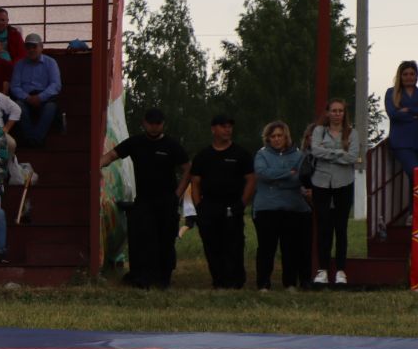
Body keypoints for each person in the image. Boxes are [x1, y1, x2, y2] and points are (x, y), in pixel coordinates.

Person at [100, 107, 189, 289]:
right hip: (144, 200)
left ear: (163, 124)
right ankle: (142, 277)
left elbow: (188, 168)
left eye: (158, 124)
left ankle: (164, 278)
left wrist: (177, 194)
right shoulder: (135, 143)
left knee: (165, 239)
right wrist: (96, 165)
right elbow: (112, 155)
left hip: (166, 201)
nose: (154, 127)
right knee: (142, 239)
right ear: (144, 123)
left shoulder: (172, 145)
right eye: (151, 123)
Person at [186, 114, 253, 291]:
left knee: (234, 244)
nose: (227, 130)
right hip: (209, 206)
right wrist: (199, 206)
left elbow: (251, 180)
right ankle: (219, 281)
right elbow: (195, 183)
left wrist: (242, 203)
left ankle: (236, 281)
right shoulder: (203, 156)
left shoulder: (241, 154)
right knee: (212, 245)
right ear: (213, 129)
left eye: (230, 126)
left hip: (232, 206)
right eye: (223, 126)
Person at [253, 120, 312, 292]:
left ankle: (290, 283)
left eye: (280, 135)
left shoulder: (299, 156)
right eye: (273, 136)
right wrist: (288, 174)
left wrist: (277, 179)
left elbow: (299, 178)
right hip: (266, 208)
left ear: (286, 137)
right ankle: (263, 283)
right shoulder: (261, 154)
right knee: (266, 248)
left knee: (290, 247)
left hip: (291, 208)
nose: (277, 139)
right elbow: (262, 173)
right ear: (268, 138)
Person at [306, 99, 356, 286]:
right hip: (321, 183)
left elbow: (353, 156)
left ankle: (341, 270)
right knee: (324, 226)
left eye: (340, 111)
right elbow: (316, 151)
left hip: (344, 182)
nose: (337, 114)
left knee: (341, 227)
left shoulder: (353, 133)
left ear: (344, 113)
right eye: (333, 110)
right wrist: (339, 153)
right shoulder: (319, 131)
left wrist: (330, 153)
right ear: (327, 113)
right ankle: (323, 270)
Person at [383, 61, 418, 192]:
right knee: (414, 173)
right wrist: (417, 114)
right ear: (400, 76)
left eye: (412, 74)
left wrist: (408, 110)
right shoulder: (391, 93)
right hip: (401, 142)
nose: (409, 77)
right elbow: (393, 114)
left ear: (416, 76)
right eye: (405, 74)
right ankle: (414, 211)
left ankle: (416, 211)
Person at [9, 35, 62, 147]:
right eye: (28, 47)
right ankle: (31, 138)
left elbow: (56, 85)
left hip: (45, 98)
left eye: (34, 46)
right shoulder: (19, 64)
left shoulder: (51, 62)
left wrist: (40, 97)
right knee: (18, 106)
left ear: (41, 47)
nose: (31, 50)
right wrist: (27, 97)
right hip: (25, 98)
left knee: (50, 107)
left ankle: (36, 139)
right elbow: (14, 86)